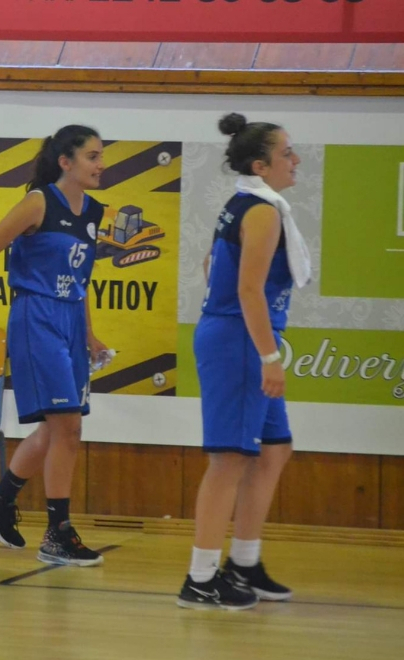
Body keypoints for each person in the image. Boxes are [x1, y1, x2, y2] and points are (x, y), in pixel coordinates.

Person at [177, 113, 305, 610]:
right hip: (240, 340)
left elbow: (211, 264)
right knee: (229, 459)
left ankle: (244, 563)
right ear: (260, 165)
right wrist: (269, 356)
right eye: (286, 153)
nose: (295, 160)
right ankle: (200, 579)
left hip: (239, 335)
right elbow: (248, 290)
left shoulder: (246, 203)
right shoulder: (262, 212)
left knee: (274, 450)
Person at [0, 125, 109, 567]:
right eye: (92, 156)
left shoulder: (94, 211)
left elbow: (81, 281)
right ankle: (57, 532)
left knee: (63, 427)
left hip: (70, 318)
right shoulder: (38, 202)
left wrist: (89, 333)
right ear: (65, 162)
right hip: (36, 316)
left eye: (101, 155)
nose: (101, 164)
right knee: (66, 425)